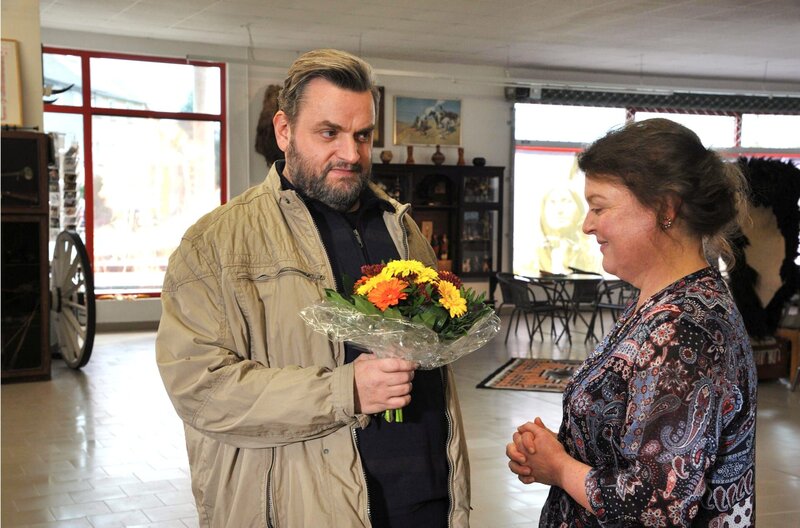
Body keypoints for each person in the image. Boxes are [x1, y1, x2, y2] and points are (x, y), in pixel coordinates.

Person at [156, 49, 470, 528]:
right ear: (285, 131)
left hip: (427, 501)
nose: (351, 153)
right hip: (303, 506)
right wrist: (345, 391)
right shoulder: (214, 244)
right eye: (329, 133)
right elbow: (200, 389)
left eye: (362, 135)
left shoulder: (402, 228)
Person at [507, 118, 757, 527]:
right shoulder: (661, 303)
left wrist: (561, 469)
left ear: (665, 208)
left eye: (600, 207)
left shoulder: (684, 329)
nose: (587, 225)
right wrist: (562, 451)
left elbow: (657, 509)